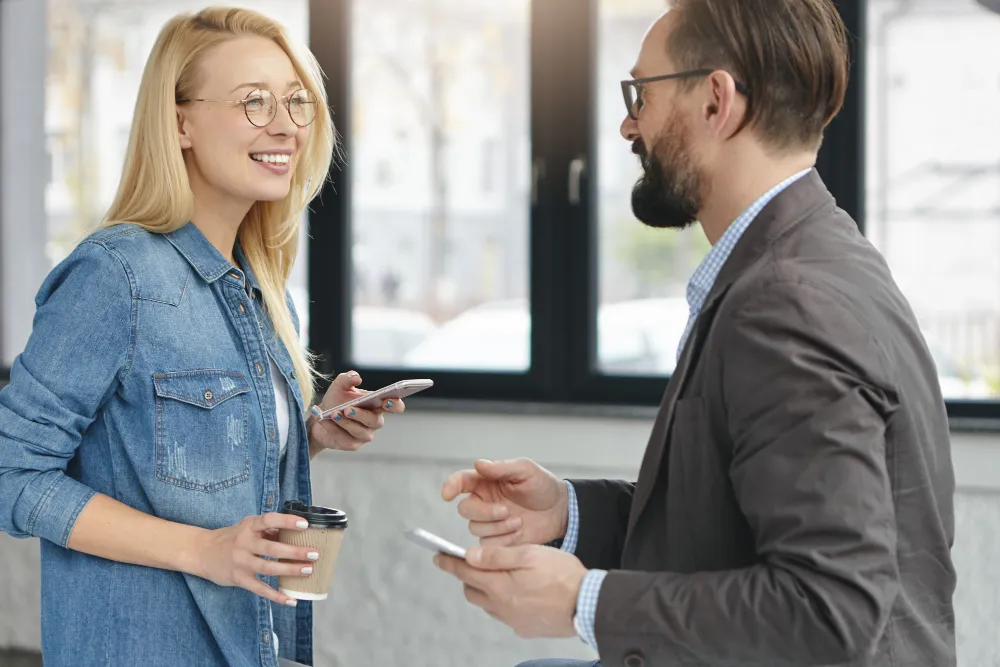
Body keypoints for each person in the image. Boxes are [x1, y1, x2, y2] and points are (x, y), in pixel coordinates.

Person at [434, 1, 957, 665]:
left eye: (640, 94)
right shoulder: (814, 256)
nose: (629, 124)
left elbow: (831, 609)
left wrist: (583, 601)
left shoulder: (785, 302)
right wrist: (569, 515)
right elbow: (727, 529)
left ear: (717, 101)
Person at [0, 7, 404, 667]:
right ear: (180, 121)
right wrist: (201, 549)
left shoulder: (262, 292)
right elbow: (11, 473)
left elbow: (188, 459)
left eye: (296, 101)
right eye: (254, 102)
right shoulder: (114, 275)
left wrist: (305, 433)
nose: (285, 125)